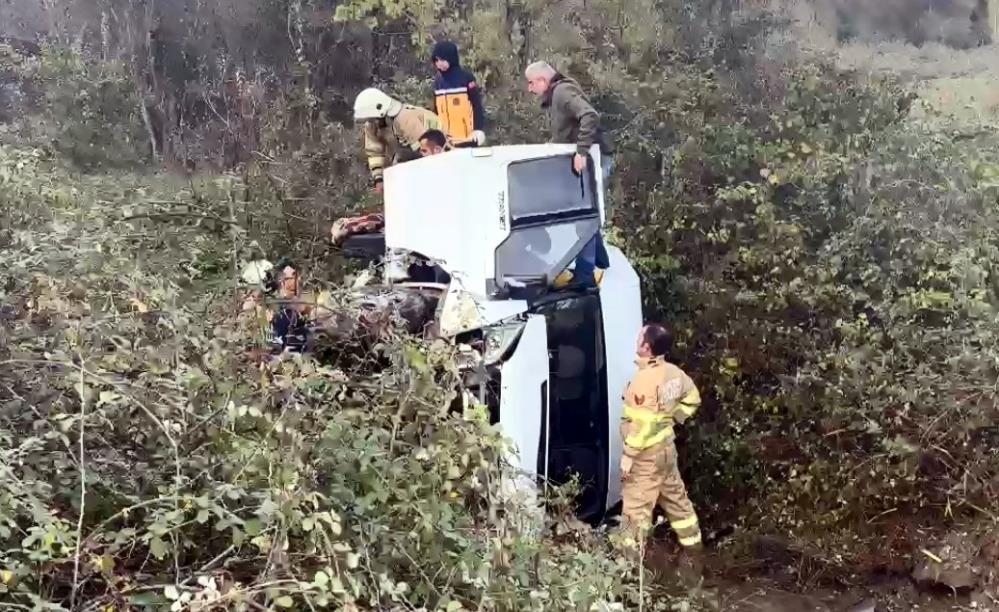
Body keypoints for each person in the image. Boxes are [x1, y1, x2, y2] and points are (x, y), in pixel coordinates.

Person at [525, 61, 612, 289]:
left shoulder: (563, 92)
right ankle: (598, 260)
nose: (529, 88)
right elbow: (569, 130)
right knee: (582, 215)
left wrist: (582, 151)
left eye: (531, 82)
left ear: (543, 80)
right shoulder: (556, 96)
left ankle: (585, 275)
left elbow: (589, 116)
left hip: (594, 160)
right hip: (586, 160)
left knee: (582, 217)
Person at [619, 324, 703, 560]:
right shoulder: (674, 373)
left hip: (646, 458)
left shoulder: (645, 381)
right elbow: (693, 399)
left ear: (646, 347)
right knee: (679, 506)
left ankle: (626, 574)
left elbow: (644, 425)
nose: (636, 339)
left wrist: (628, 456)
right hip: (666, 452)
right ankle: (695, 557)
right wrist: (672, 419)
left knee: (635, 515)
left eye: (640, 337)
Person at [353, 87, 449, 194]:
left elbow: (425, 149)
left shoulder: (405, 117)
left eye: (371, 118)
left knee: (402, 160)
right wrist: (378, 179)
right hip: (418, 151)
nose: (370, 121)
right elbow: (374, 152)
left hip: (441, 148)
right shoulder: (371, 125)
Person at [430, 41, 486, 146]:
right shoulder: (438, 81)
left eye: (442, 59)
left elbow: (477, 105)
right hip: (446, 142)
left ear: (451, 58)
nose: (439, 63)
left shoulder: (465, 78)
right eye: (436, 60)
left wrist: (478, 129)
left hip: (467, 139)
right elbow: (436, 111)